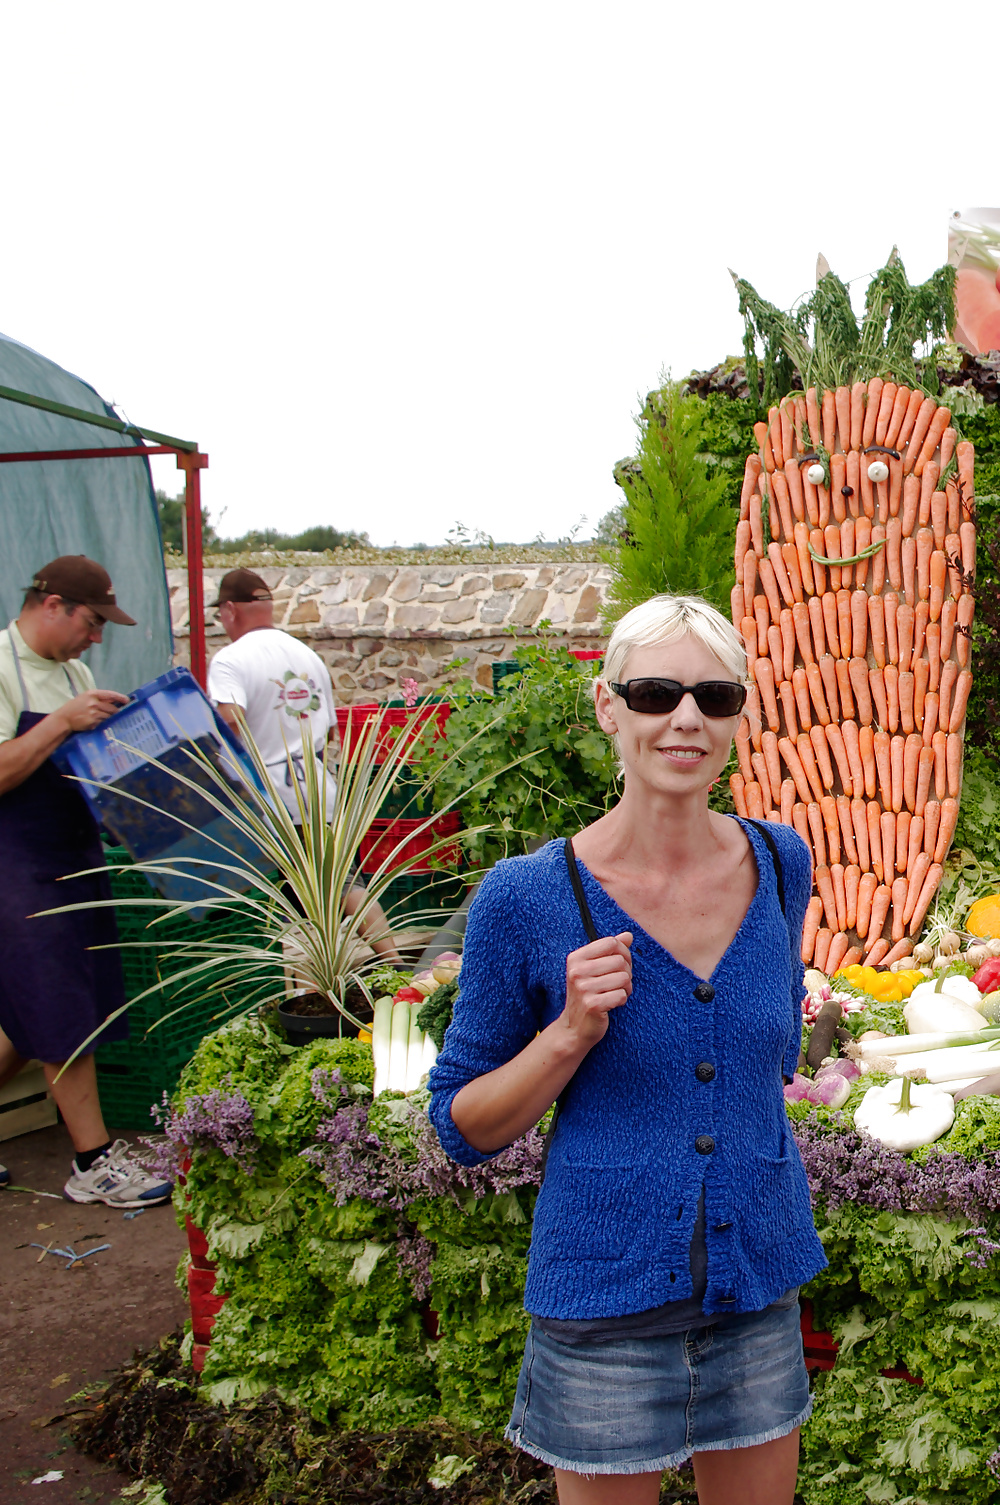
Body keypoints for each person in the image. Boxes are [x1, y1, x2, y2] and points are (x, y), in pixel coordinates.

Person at [428, 594, 826, 1505]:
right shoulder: (527, 897)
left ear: (738, 714)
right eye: (654, 692)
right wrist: (567, 1034)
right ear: (608, 705)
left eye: (714, 696)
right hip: (603, 1305)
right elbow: (461, 1126)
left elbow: (769, 1056)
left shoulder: (780, 863)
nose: (685, 717)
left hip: (756, 1291)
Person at [0, 557, 174, 1208]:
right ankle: (93, 1163)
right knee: (60, 1012)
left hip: (77, 856)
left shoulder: (74, 672)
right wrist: (61, 723)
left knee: (28, 1020)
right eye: (93, 621)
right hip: (15, 862)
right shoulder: (1, 664)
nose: (98, 638)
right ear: (52, 604)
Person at [207, 568, 402, 963]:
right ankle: (395, 964)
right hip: (316, 791)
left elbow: (230, 722)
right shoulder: (306, 656)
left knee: (263, 902)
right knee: (346, 886)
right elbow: (329, 732)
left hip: (266, 801)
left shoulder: (230, 660)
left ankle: (287, 983)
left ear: (228, 609)